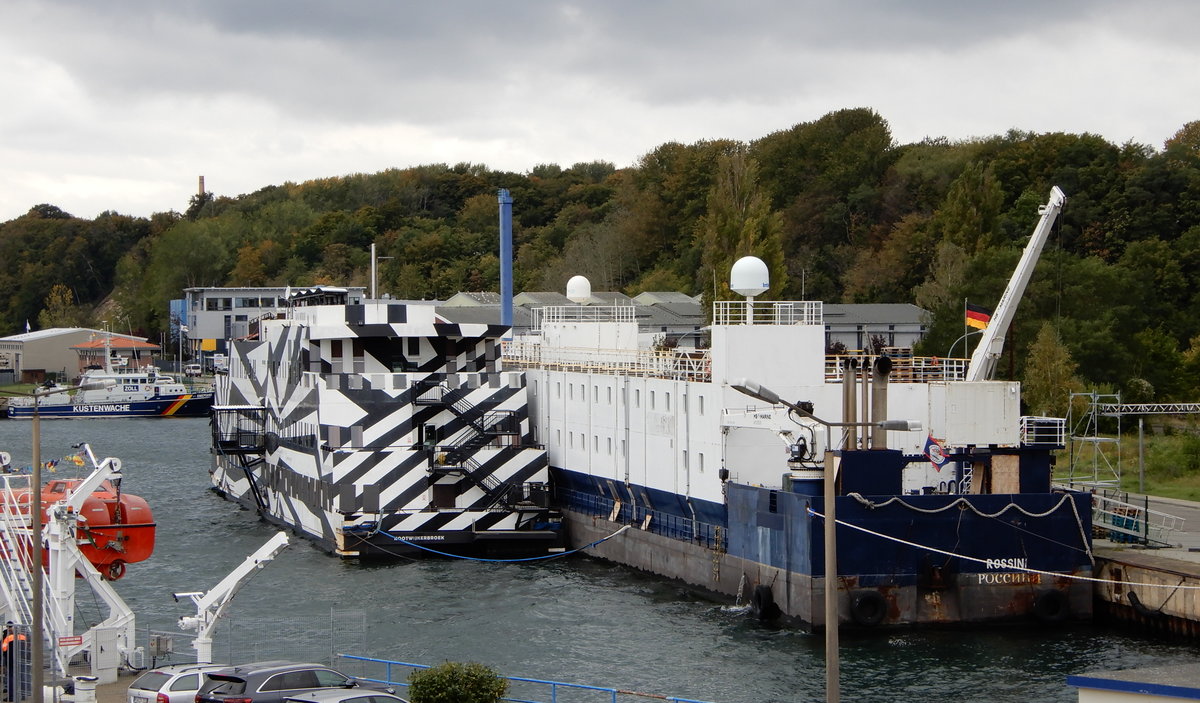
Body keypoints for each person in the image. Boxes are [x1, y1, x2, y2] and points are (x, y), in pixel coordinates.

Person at [2, 622, 26, 702]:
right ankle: (23, 695)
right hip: (22, 659)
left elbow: (4, 649)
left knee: (11, 677)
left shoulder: (8, 638)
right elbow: (26, 648)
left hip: (11, 660)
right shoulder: (23, 637)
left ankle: (11, 696)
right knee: (22, 676)